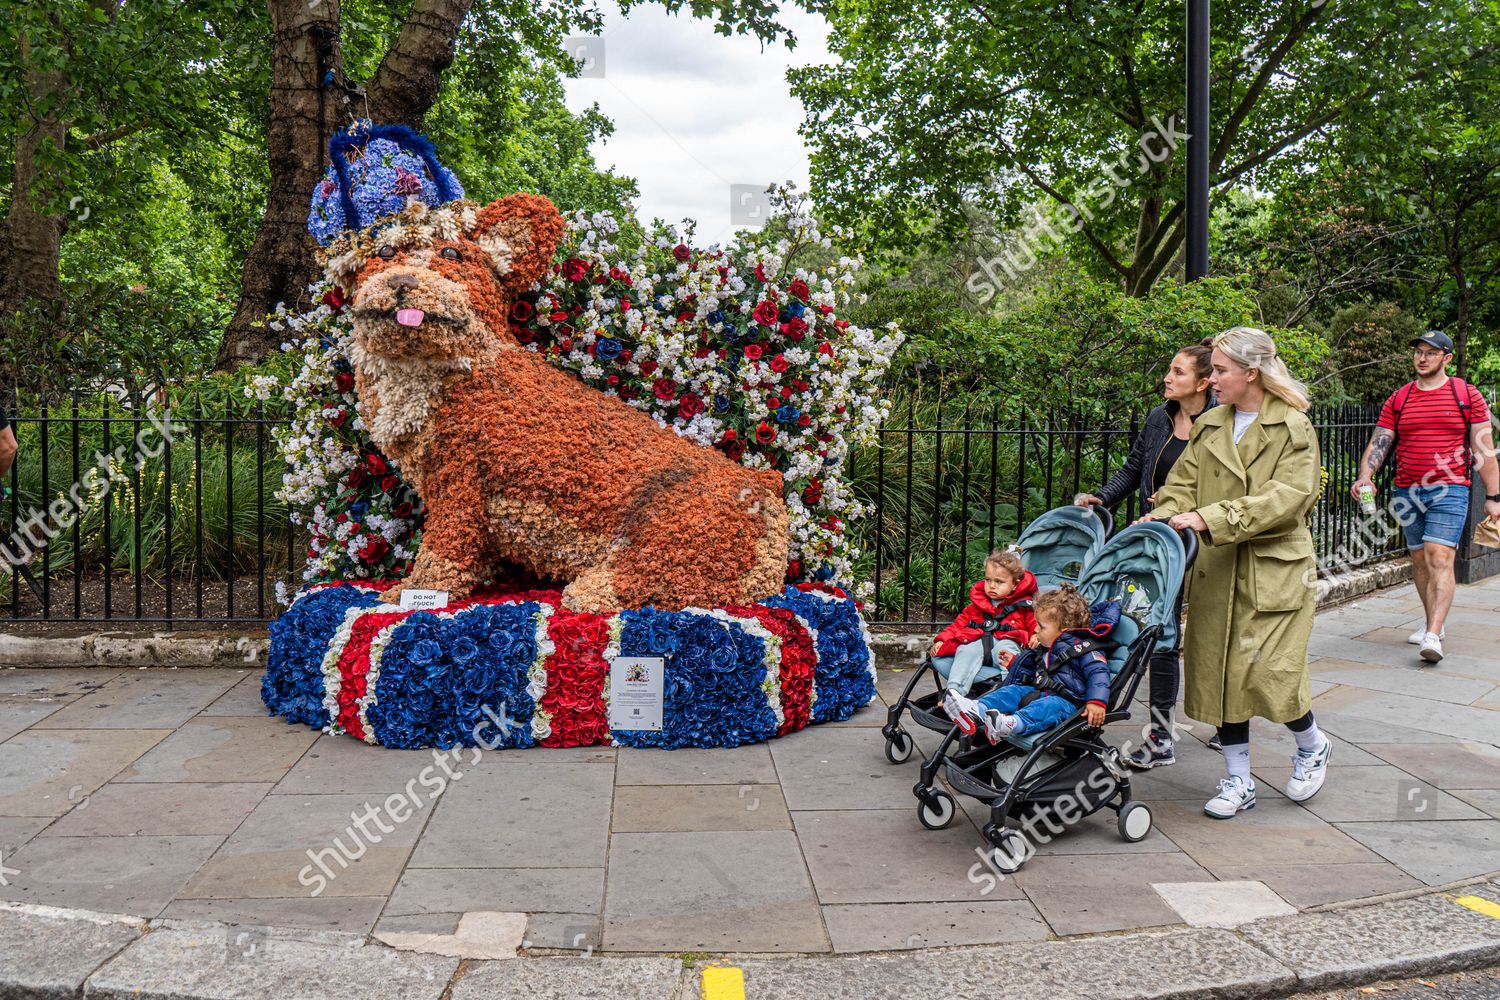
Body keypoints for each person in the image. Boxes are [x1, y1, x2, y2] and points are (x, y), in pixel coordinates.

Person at [1143, 326, 1331, 820]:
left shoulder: (1293, 427)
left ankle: (1312, 745)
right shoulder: (1210, 426)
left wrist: (1211, 517)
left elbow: (1289, 499)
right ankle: (1238, 779)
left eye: (1221, 371)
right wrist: (1161, 515)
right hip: (1218, 569)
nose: (1213, 380)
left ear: (1251, 372)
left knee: (1271, 673)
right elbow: (1182, 486)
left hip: (1275, 572)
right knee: (1219, 674)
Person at [1076, 340, 1217, 768]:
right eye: (1169, 370)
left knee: (1216, 636)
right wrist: (1103, 499)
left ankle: (1231, 721)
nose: (1167, 378)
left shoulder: (1222, 422)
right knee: (1162, 634)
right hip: (1160, 543)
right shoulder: (1160, 418)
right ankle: (1161, 736)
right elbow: (1134, 468)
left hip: (1208, 542)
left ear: (1204, 382)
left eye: (1177, 372)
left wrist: (1188, 509)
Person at [1350, 330, 1499, 665]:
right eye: (1418, 351)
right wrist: (1365, 477)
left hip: (1451, 488)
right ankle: (1435, 620)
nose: (1422, 358)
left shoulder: (1465, 394)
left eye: (1431, 353)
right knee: (1418, 560)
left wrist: (1494, 496)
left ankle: (1433, 633)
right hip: (1407, 491)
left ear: (1446, 358)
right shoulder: (1400, 398)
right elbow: (1381, 441)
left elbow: (1483, 446)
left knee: (1439, 557)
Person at [942, 584, 1112, 743]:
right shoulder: (1046, 646)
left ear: (1064, 632)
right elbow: (1038, 671)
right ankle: (976, 710)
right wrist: (1014, 663)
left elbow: (1099, 674)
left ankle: (1011, 724)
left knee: (1047, 707)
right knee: (1012, 691)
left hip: (1068, 705)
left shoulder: (1085, 649)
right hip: (1041, 692)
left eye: (1041, 626)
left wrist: (1096, 701)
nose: (1036, 629)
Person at [929, 549, 1038, 695]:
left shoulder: (1024, 606)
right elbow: (958, 624)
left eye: (999, 582)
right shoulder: (977, 605)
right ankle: (954, 693)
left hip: (1005, 653)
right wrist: (942, 639)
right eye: (988, 580)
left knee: (1005, 646)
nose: (992, 586)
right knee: (966, 648)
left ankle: (1008, 692)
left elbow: (1035, 623)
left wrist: (1036, 634)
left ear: (1015, 584)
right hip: (979, 649)